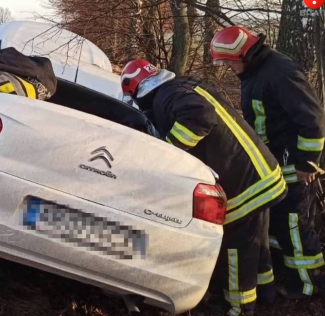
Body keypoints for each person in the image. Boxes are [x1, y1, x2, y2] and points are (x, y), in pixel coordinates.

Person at [120, 59, 288, 316]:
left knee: (237, 251)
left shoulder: (167, 95)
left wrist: (170, 153)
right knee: (255, 244)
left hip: (244, 185)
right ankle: (264, 294)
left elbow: (200, 116)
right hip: (259, 176)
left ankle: (238, 308)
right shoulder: (180, 85)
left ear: (139, 90)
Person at [210, 26, 325, 299]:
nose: (227, 68)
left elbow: (313, 121)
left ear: (243, 55)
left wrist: (306, 164)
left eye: (228, 62)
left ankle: (310, 286)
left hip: (294, 167)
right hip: (275, 164)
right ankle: (289, 277)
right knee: (279, 225)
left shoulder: (280, 73)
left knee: (293, 226)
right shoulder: (256, 71)